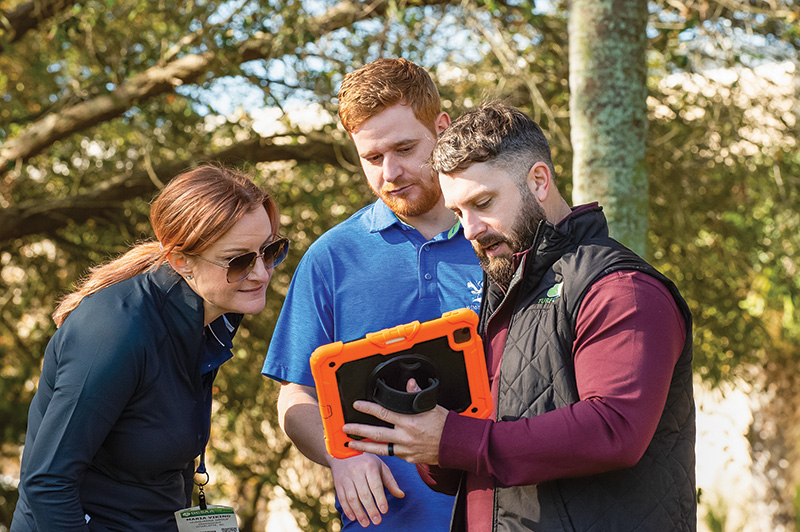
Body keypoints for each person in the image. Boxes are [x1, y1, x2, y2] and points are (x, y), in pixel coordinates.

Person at [341, 102, 697, 531]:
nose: (469, 229)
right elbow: (474, 454)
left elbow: (613, 429)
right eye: (458, 212)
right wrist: (427, 435)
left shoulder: (621, 288)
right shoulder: (502, 289)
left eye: (483, 202)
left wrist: (453, 438)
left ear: (539, 181)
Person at [261, 58, 483, 530]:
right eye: (372, 157)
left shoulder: (498, 239)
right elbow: (294, 394)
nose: (391, 172)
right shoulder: (332, 257)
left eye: (405, 148)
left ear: (442, 129)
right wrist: (339, 455)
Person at [11, 165, 289, 532]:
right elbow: (47, 483)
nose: (261, 273)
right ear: (181, 262)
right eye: (238, 260)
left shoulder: (212, 315)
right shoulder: (117, 332)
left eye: (270, 251)